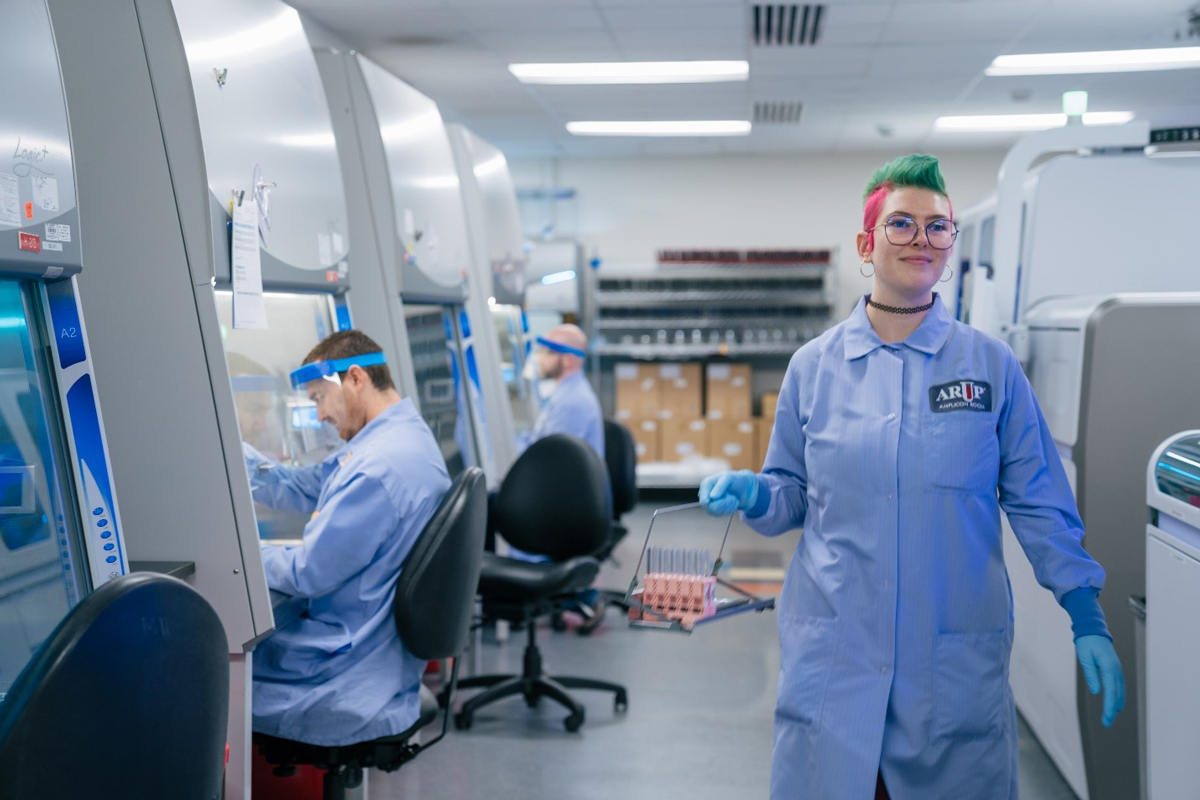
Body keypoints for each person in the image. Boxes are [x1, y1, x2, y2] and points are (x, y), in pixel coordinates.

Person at [698, 154, 1124, 800]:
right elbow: (789, 492)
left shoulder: (990, 368)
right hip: (836, 659)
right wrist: (757, 492)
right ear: (867, 245)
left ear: (952, 245)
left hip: (946, 672)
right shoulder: (813, 369)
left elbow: (1039, 500)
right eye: (902, 224)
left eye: (938, 227)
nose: (921, 240)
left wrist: (1084, 611)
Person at [244, 330, 451, 746]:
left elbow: (307, 573)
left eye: (320, 397)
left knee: (207, 677)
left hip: (346, 672)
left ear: (355, 378)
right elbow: (312, 485)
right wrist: (241, 460)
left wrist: (243, 555)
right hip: (380, 651)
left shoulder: (378, 468)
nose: (318, 415)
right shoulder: (404, 436)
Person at [524, 323, 604, 459]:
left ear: (569, 359)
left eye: (546, 352)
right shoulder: (565, 393)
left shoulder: (572, 402)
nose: (539, 359)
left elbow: (550, 457)